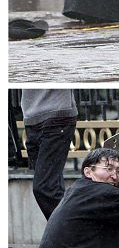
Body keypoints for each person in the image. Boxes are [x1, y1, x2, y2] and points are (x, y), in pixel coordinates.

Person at [20, 90, 78, 220]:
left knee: (44, 188)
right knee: (52, 188)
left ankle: (73, 234)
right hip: (31, 119)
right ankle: (68, 234)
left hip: (57, 115)